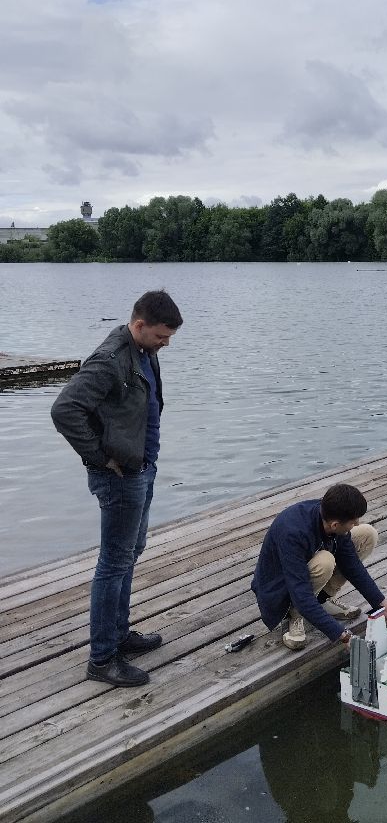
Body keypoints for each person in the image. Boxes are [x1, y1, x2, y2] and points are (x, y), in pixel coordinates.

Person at [51, 289, 183, 688]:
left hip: (143, 469)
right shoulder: (109, 361)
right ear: (139, 325)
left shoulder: (144, 353)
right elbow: (64, 409)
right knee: (113, 563)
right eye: (161, 336)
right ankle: (103, 657)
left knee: (130, 554)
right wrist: (97, 457)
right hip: (120, 476)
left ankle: (120, 634)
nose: (166, 344)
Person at [252, 483, 387, 651]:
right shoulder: (293, 533)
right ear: (335, 525)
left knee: (367, 534)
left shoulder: (331, 514)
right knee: (325, 561)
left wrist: (385, 607)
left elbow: (352, 566)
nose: (357, 523)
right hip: (281, 589)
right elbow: (300, 593)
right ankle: (294, 614)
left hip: (306, 572)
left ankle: (321, 600)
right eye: (353, 522)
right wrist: (343, 635)